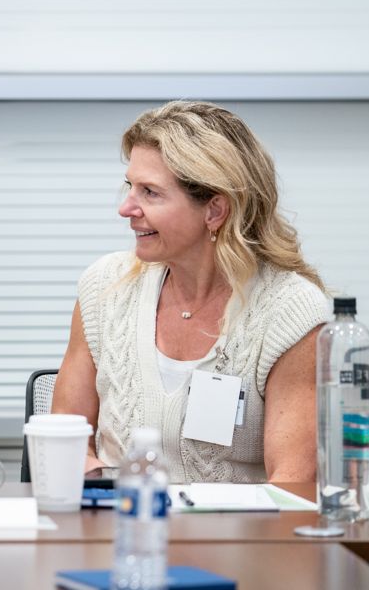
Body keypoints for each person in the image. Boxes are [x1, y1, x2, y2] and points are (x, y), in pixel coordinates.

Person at [53, 101, 329, 483]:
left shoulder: (289, 311)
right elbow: (63, 441)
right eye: (129, 186)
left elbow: (292, 488)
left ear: (215, 211)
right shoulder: (105, 287)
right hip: (119, 530)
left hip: (238, 539)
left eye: (150, 192)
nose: (126, 208)